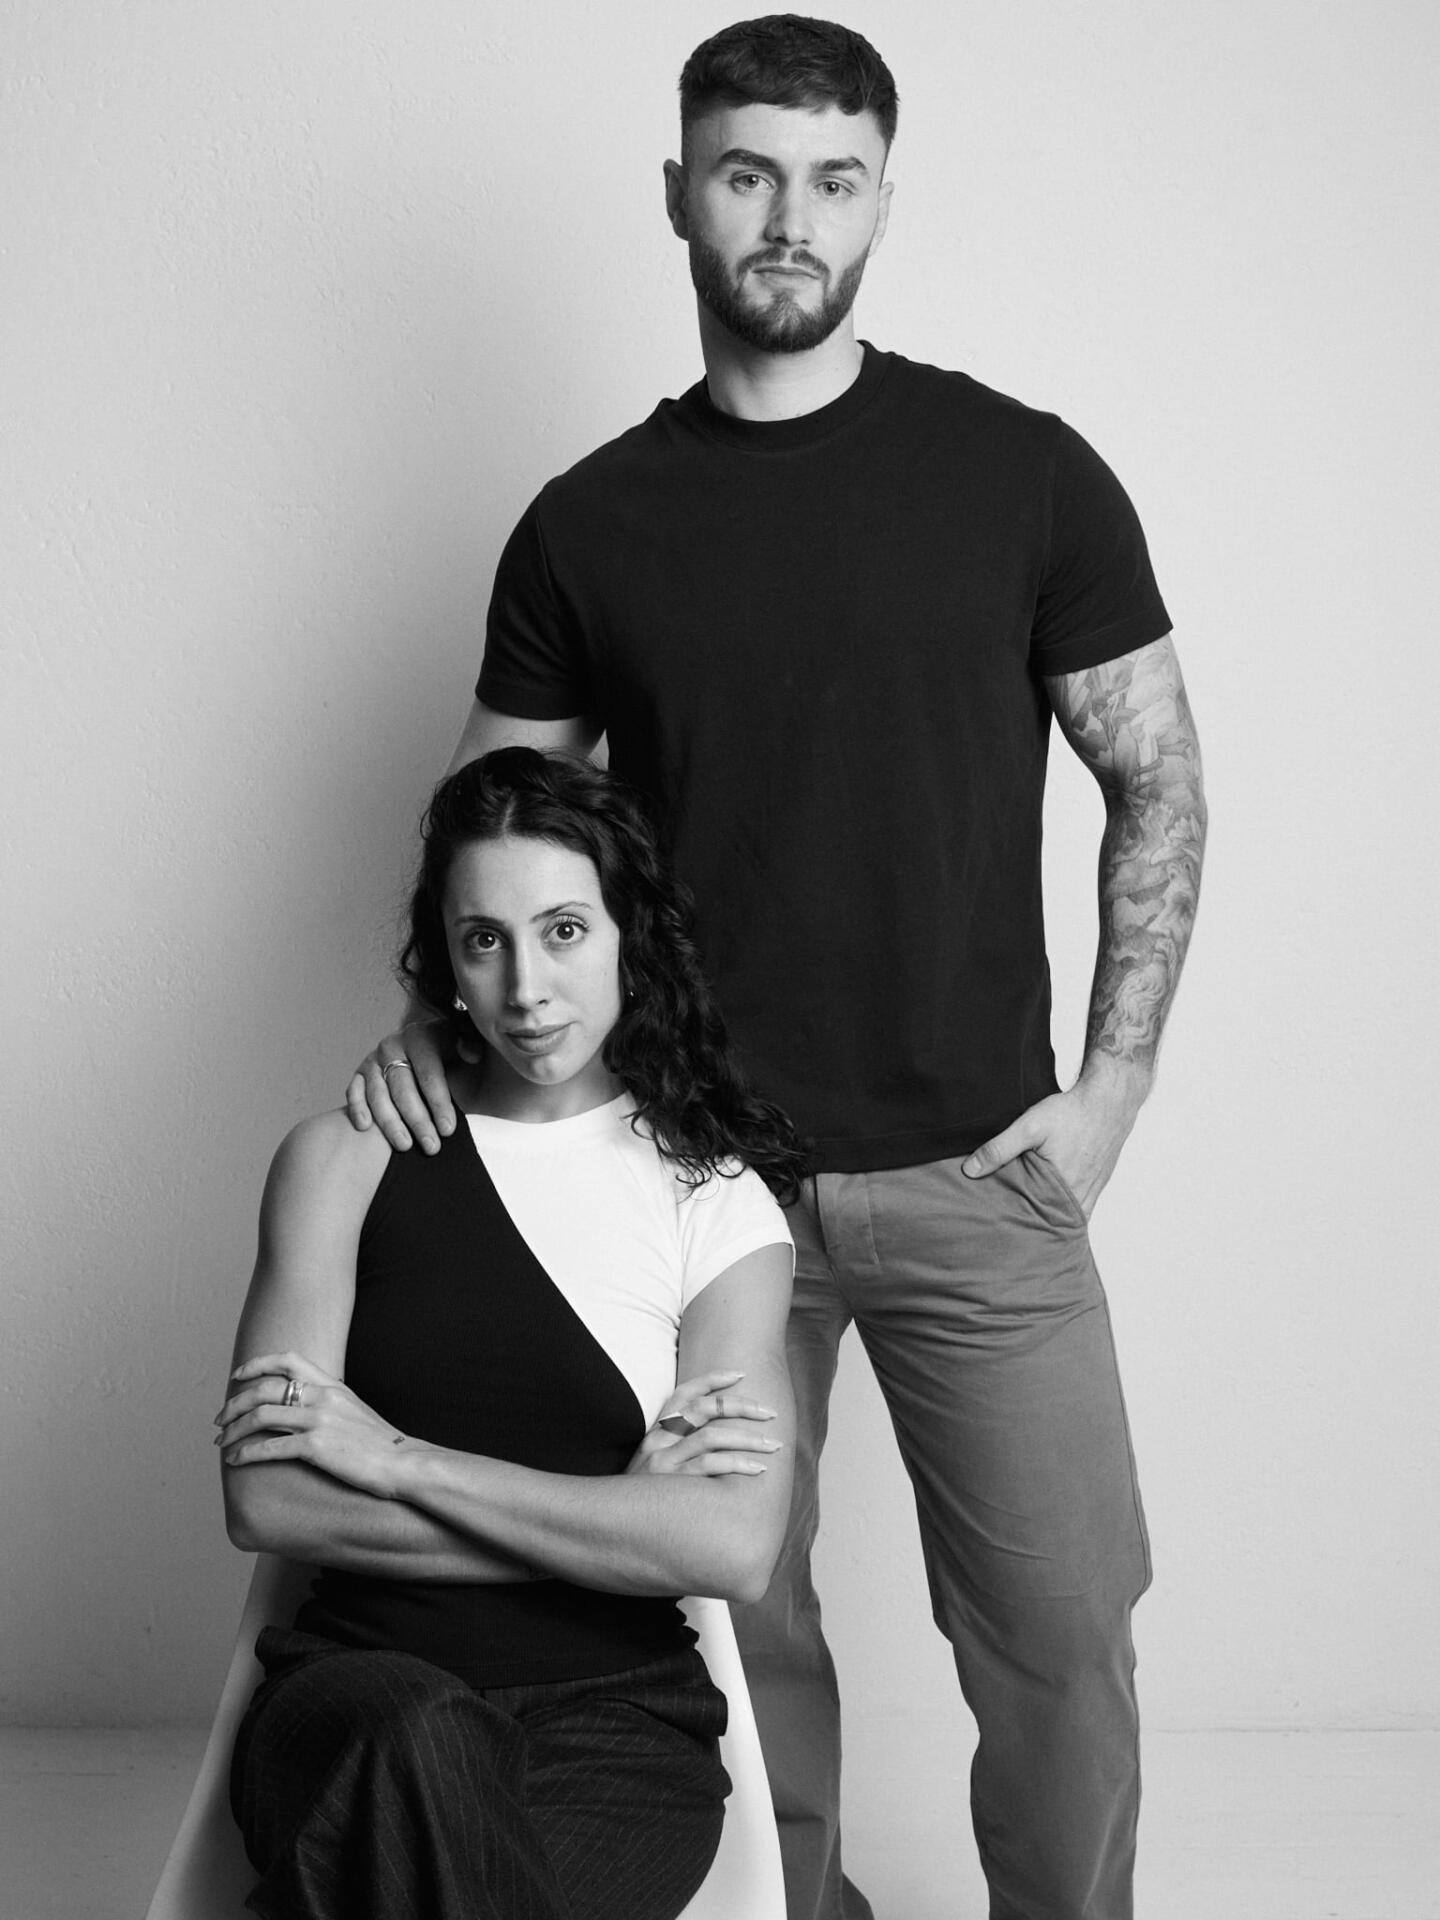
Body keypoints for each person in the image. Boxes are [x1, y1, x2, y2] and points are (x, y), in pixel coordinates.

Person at [345, 17, 1208, 1920]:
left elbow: (1155, 771)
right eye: (747, 174)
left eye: (833, 179)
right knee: (738, 1632)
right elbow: (499, 830)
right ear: (680, 197)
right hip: (696, 1178)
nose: (790, 218)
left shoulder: (1023, 477)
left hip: (985, 1172)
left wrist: (1114, 1088)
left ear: (885, 198)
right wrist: (427, 1029)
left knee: (1064, 1635)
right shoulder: (590, 524)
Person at [216, 746, 800, 1920]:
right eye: (485, 940)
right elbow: (269, 1499)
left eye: (564, 931)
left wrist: (399, 1462)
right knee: (427, 1743)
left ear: (629, 934)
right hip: (359, 1695)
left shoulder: (717, 1202)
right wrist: (613, 1523)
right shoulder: (340, 1161)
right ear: (447, 961)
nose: (526, 986)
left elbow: (731, 1545)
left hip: (621, 1726)